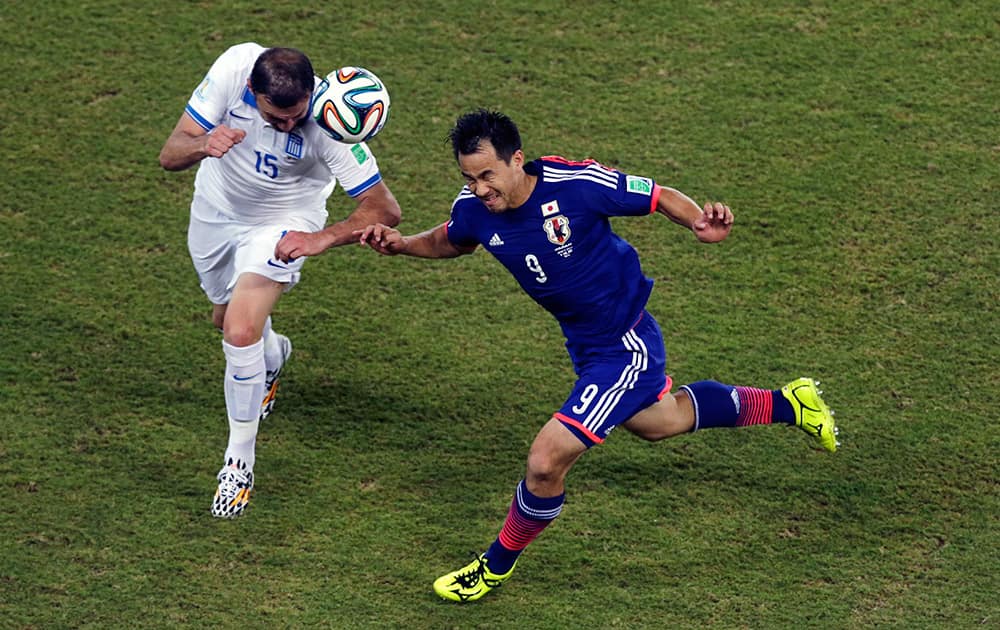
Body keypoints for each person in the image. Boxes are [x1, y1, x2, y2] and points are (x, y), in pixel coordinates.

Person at [357, 109, 838, 602]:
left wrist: (697, 220)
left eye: (486, 175)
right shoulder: (476, 209)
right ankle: (790, 403)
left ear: (516, 160)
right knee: (659, 422)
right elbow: (448, 241)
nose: (479, 188)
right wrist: (400, 246)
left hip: (626, 346)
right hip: (586, 346)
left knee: (545, 462)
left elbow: (658, 196)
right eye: (468, 177)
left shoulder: (576, 184)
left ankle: (494, 566)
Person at [159, 43, 401, 519]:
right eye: (277, 118)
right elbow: (170, 154)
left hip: (284, 222)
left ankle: (238, 463)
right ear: (252, 91)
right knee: (224, 318)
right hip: (216, 213)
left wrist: (323, 238)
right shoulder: (233, 70)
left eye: (297, 116)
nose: (291, 125)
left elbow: (384, 209)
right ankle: (275, 356)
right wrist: (202, 145)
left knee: (240, 330)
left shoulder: (330, 119)